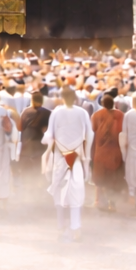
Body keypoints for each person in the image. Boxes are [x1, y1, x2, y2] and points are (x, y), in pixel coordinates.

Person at [42, 87, 93, 241]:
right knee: (75, 192)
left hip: (60, 156)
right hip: (75, 156)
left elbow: (49, 135)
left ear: (63, 98)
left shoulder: (56, 112)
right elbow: (89, 134)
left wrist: (49, 145)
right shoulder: (81, 112)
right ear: (75, 98)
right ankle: (75, 228)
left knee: (60, 192)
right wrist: (87, 157)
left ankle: (61, 227)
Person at [90, 92, 124, 211]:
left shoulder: (96, 115)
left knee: (100, 178)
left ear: (102, 104)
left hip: (100, 151)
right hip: (115, 151)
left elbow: (92, 131)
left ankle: (100, 201)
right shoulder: (120, 115)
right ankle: (112, 203)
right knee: (113, 178)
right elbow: (122, 131)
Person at [18, 92, 51, 180]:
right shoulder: (48, 113)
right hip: (40, 148)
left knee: (25, 174)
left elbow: (20, 128)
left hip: (26, 147)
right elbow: (48, 131)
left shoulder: (25, 111)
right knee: (38, 173)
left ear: (32, 100)